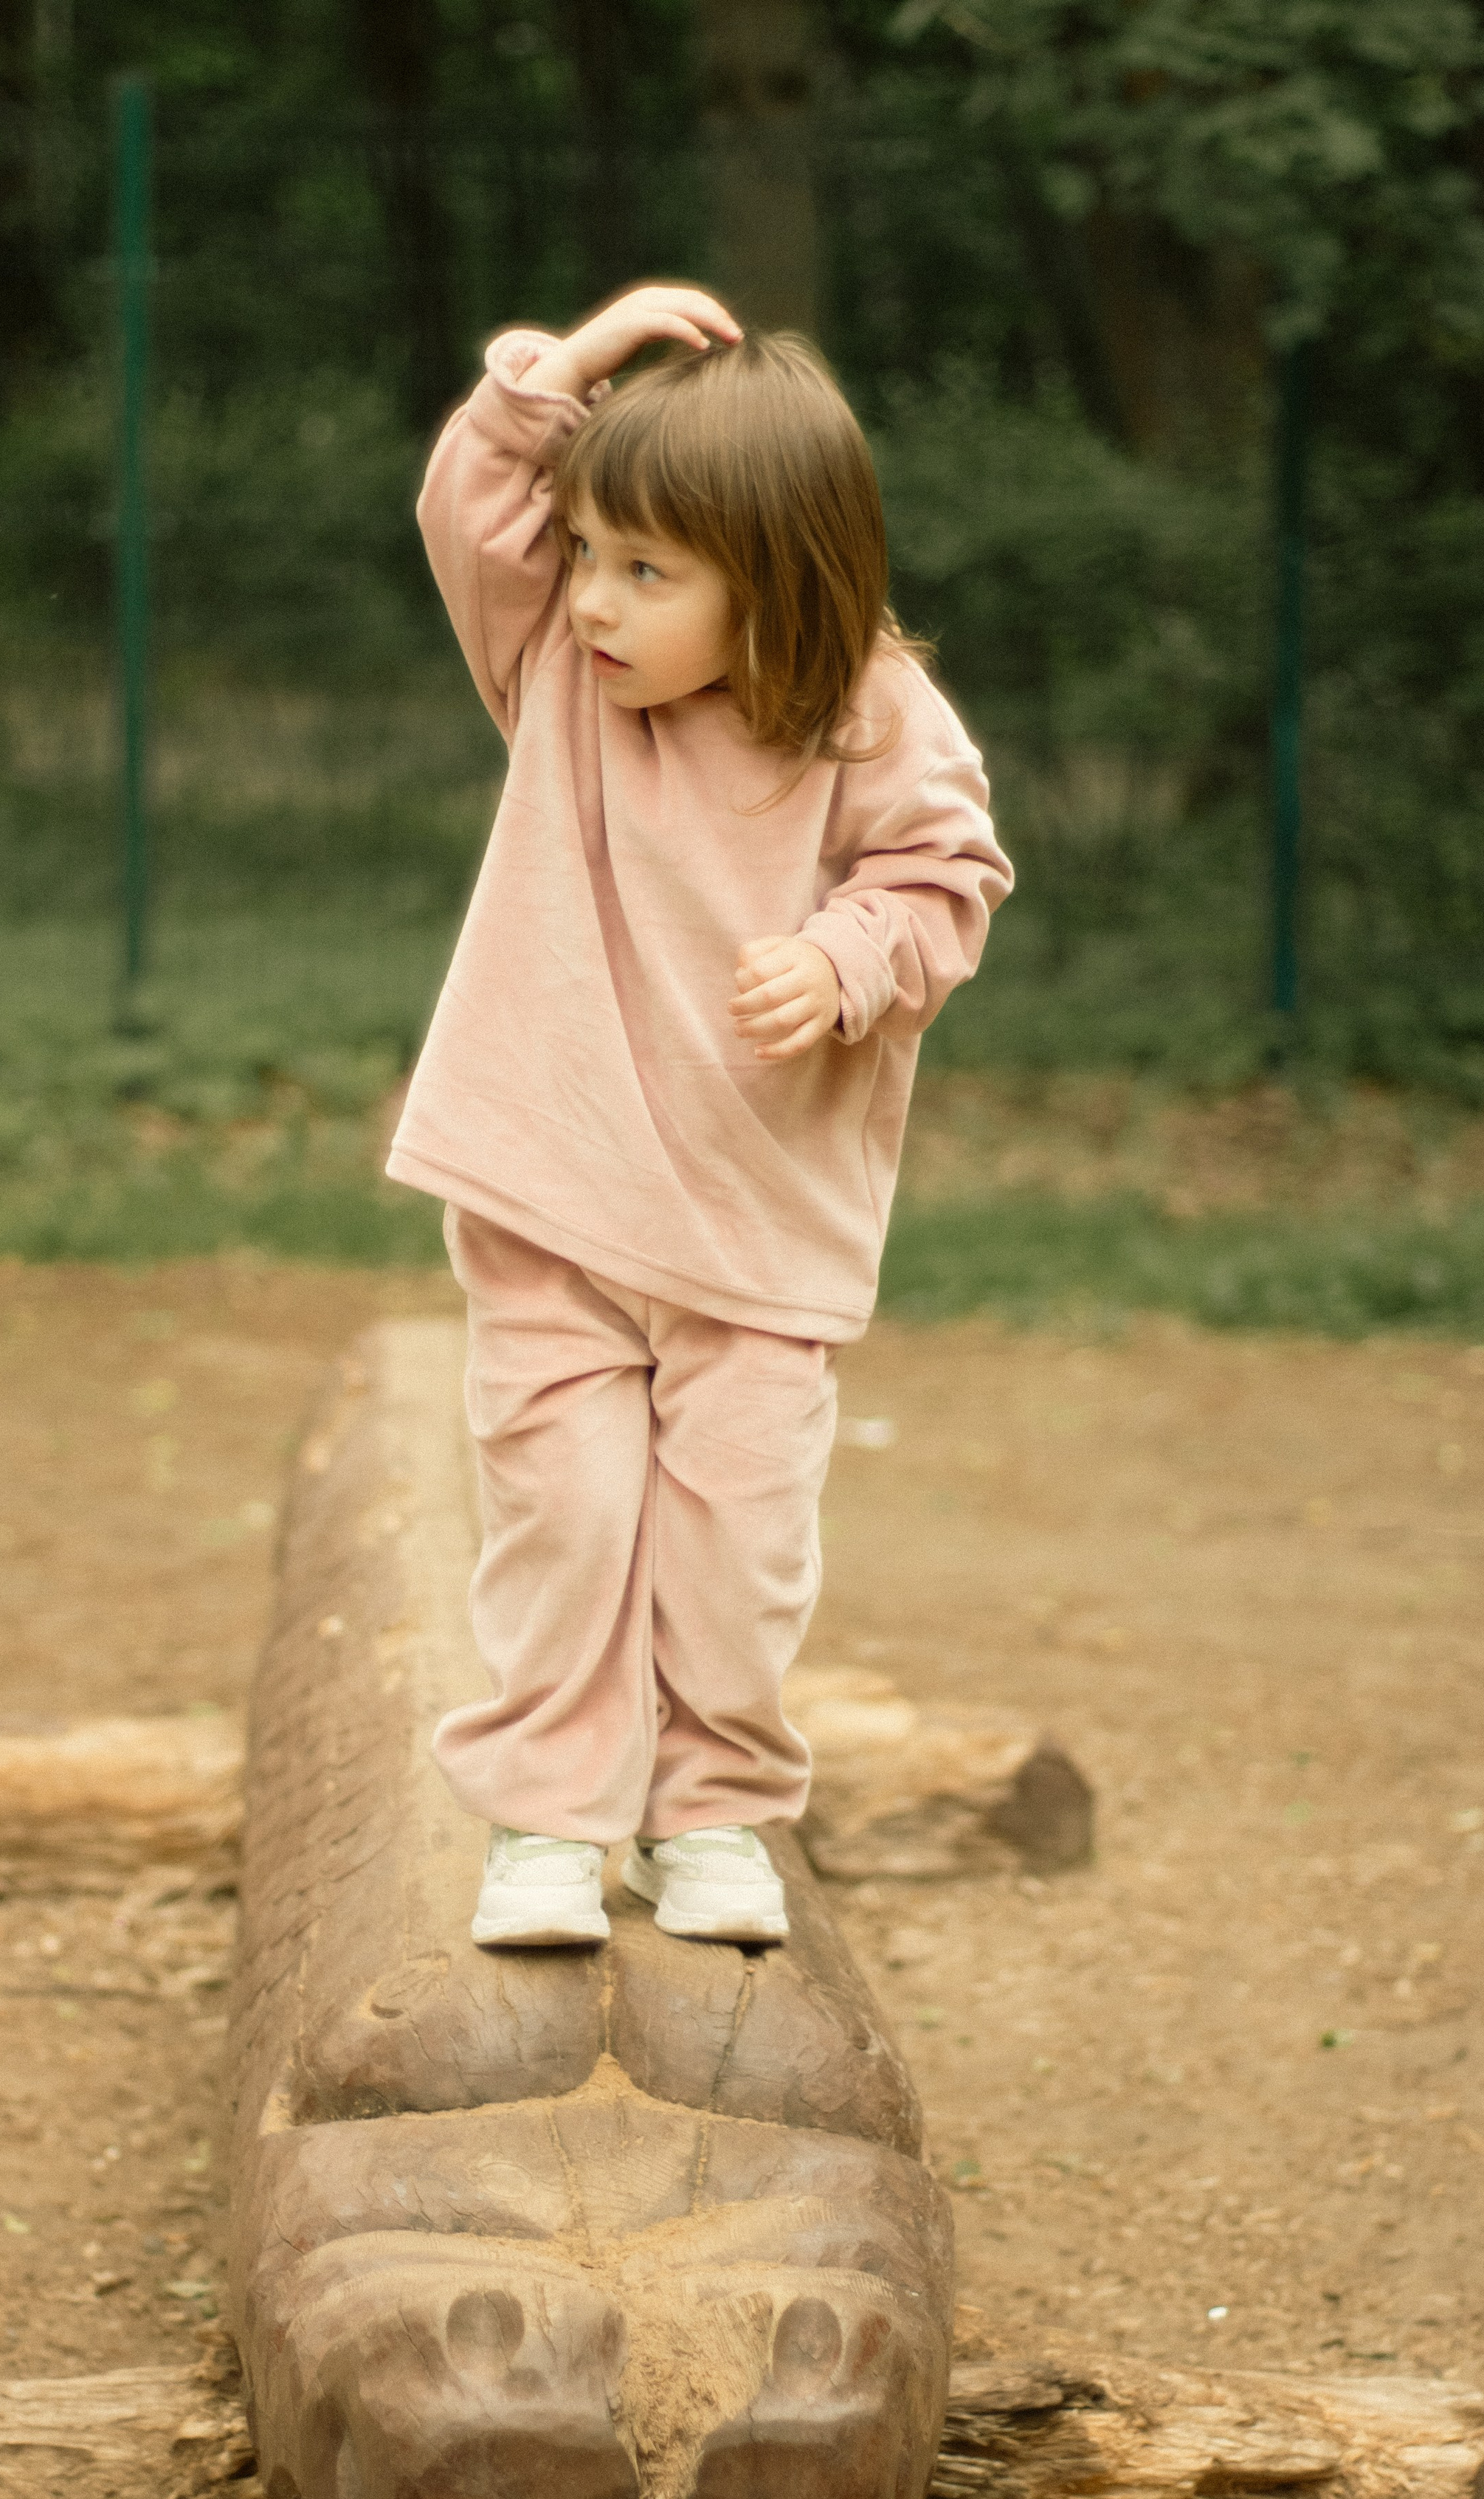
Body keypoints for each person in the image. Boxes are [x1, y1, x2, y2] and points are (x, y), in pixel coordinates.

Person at [385, 284, 1013, 1950]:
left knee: (735, 1542)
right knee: (565, 1511)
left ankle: (711, 1815)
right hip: (550, 1185)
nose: (591, 596)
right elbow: (471, 502)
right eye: (586, 551)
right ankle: (545, 1819)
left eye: (645, 571)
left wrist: (843, 957)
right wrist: (565, 373)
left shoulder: (869, 715)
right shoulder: (555, 678)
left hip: (754, 1220)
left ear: (781, 575)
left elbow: (946, 875)